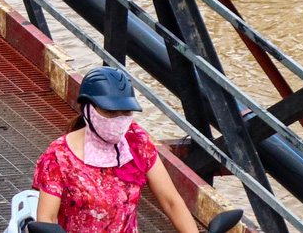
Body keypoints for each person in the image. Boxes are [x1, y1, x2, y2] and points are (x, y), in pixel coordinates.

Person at [35, 66, 203, 233]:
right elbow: (46, 220)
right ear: (87, 108)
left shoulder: (137, 142)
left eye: (126, 112)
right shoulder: (59, 156)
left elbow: (171, 201)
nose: (119, 120)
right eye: (110, 112)